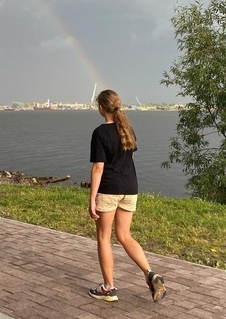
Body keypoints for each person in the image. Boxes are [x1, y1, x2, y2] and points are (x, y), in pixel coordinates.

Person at [87, 89, 166, 303]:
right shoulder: (127, 129)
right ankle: (151, 274)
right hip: (130, 188)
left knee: (104, 237)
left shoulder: (100, 132)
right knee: (125, 236)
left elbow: (98, 168)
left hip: (110, 189)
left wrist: (92, 198)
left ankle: (108, 288)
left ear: (102, 107)